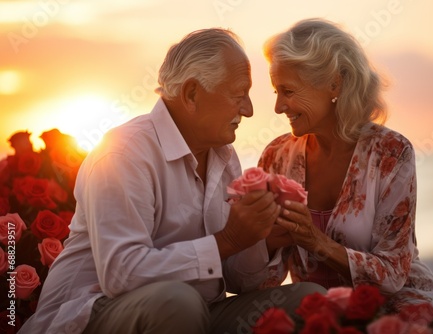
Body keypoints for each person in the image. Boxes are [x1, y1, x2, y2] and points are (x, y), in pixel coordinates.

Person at [19, 28, 325, 334]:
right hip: (88, 313)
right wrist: (228, 240)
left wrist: (261, 239)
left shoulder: (224, 156)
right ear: (192, 94)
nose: (249, 109)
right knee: (179, 303)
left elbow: (241, 283)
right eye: (238, 94)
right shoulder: (124, 152)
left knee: (308, 300)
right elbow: (121, 275)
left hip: (197, 312)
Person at [257, 18, 433, 312]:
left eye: (289, 91)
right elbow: (266, 283)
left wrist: (317, 242)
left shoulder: (391, 153)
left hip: (399, 305)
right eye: (276, 92)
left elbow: (394, 273)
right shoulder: (277, 155)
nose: (278, 107)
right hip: (316, 309)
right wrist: (265, 242)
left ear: (334, 83)